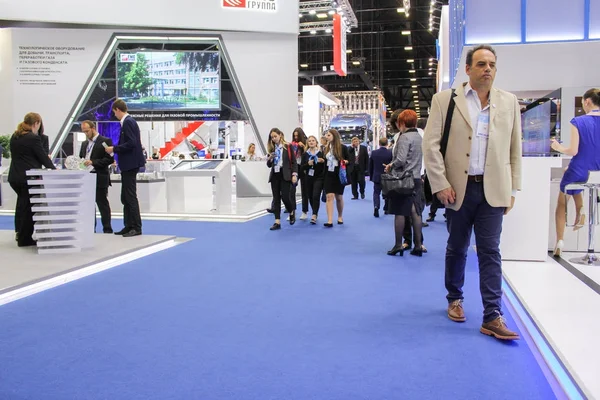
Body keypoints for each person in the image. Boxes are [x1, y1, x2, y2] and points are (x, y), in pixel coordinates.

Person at [423, 44, 522, 341]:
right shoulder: (445, 101)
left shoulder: (509, 102)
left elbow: (515, 148)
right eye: (481, 64)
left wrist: (513, 187)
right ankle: (455, 297)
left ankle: (492, 315)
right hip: (457, 190)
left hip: (494, 190)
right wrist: (440, 183)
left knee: (491, 251)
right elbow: (431, 146)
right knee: (457, 247)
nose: (487, 69)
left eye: (491, 64)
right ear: (468, 69)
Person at [551, 88, 600, 256]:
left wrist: (558, 147)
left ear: (587, 102)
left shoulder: (578, 121)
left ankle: (560, 241)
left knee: (562, 203)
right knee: (571, 172)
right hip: (596, 173)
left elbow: (573, 150)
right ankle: (582, 209)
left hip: (579, 170)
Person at [8, 112, 56, 247]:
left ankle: (21, 235)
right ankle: (25, 238)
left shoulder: (15, 136)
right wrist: (53, 168)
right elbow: (42, 157)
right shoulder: (32, 138)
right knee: (29, 209)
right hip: (28, 178)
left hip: (15, 177)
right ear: (36, 123)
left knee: (23, 207)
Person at [384, 110, 424, 257]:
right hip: (416, 178)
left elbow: (400, 160)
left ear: (401, 122)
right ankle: (418, 246)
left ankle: (398, 245)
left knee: (400, 212)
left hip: (403, 179)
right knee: (416, 212)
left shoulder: (404, 137)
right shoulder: (419, 137)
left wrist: (390, 165)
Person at [104, 99, 145, 237]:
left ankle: (136, 226)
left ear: (117, 110)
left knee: (130, 196)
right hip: (129, 164)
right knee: (125, 197)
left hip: (130, 164)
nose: (114, 115)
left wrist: (114, 149)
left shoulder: (128, 122)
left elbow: (131, 143)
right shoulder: (128, 122)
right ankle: (128, 225)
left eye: (114, 112)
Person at [79, 120, 114, 234]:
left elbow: (109, 159)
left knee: (102, 204)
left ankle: (107, 229)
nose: (86, 134)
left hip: (100, 176)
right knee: (89, 205)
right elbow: (81, 158)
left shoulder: (105, 141)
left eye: (87, 131)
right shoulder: (84, 144)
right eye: (84, 132)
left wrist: (93, 162)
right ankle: (90, 229)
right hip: (87, 177)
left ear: (93, 128)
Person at [266, 128, 297, 230]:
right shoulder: (271, 148)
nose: (274, 139)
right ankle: (277, 222)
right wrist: (269, 159)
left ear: (280, 135)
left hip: (285, 174)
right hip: (275, 175)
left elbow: (294, 162)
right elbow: (269, 165)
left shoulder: (288, 146)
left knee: (285, 196)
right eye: (272, 137)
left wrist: (294, 174)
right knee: (276, 198)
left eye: (275, 136)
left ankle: (291, 211)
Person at [323, 129, 349, 227]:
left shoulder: (343, 148)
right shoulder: (326, 148)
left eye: (329, 135)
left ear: (334, 136)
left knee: (339, 197)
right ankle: (329, 220)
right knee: (329, 196)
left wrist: (346, 162)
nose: (327, 137)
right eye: (326, 135)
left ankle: (340, 216)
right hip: (328, 174)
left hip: (339, 175)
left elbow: (349, 160)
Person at [301, 135, 325, 224]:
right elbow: (302, 167)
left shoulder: (320, 153)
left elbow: (324, 166)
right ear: (307, 143)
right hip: (308, 178)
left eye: (313, 140)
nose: (311, 142)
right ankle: (314, 211)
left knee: (316, 195)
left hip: (318, 177)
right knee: (310, 196)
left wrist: (322, 161)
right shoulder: (305, 154)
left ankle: (314, 214)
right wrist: (308, 164)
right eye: (310, 141)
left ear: (316, 142)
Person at [369, 136, 393, 217]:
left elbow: (370, 166)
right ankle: (386, 208)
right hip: (387, 176)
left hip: (377, 176)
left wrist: (371, 176)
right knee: (387, 193)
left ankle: (376, 207)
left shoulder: (374, 153)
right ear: (387, 143)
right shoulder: (390, 153)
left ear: (379, 144)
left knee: (376, 193)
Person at [290, 128, 309, 220]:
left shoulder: (306, 143)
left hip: (304, 167)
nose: (296, 137)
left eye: (297, 135)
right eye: (294, 135)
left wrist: (304, 147)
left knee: (304, 190)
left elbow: (309, 155)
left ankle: (304, 211)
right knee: (291, 189)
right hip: (295, 168)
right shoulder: (292, 144)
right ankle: (292, 211)